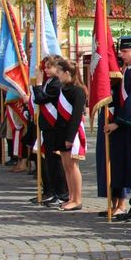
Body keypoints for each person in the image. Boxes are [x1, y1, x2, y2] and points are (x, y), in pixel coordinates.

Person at [104, 37, 131, 220]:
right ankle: (122, 204)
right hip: (121, 127)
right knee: (121, 165)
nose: (121, 55)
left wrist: (118, 122)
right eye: (120, 52)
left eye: (125, 52)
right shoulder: (125, 70)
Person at [33, 56, 69, 207]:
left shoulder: (56, 83)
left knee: (56, 162)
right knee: (49, 162)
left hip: (55, 127)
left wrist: (38, 84)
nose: (45, 70)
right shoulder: (50, 81)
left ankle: (62, 193)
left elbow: (40, 99)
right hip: (47, 127)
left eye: (49, 67)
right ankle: (53, 192)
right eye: (45, 67)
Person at [53, 58, 87, 211]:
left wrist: (70, 137)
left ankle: (77, 199)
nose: (57, 75)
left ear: (67, 73)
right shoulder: (63, 89)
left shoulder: (78, 91)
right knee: (66, 166)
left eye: (59, 72)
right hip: (61, 132)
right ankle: (71, 197)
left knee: (73, 166)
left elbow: (76, 116)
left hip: (72, 133)